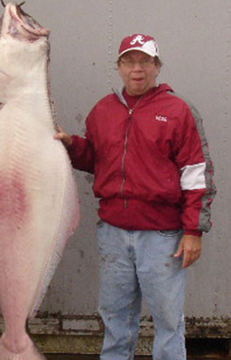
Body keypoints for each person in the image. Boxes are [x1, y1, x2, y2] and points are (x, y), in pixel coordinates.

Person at [55, 34, 216, 359]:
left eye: (145, 61)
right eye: (129, 61)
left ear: (157, 67)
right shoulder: (103, 110)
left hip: (162, 238)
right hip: (113, 235)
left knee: (168, 324)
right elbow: (95, 159)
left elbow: (196, 174)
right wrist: (72, 145)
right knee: (115, 321)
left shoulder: (177, 111)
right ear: (119, 67)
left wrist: (193, 231)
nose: (137, 69)